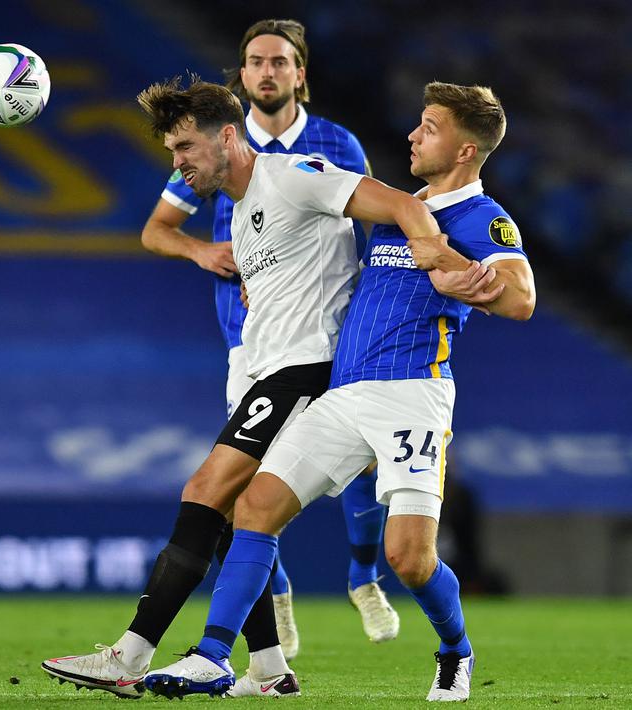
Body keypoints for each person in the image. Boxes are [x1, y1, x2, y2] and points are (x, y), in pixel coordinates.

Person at [42, 76, 455, 699]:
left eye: (185, 147)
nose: (178, 164)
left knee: (205, 491)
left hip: (307, 370)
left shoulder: (294, 175)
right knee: (237, 516)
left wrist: (430, 253)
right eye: (172, 151)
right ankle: (268, 669)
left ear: (227, 137)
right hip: (273, 372)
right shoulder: (243, 211)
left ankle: (128, 657)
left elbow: (400, 204)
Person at [142, 82, 533, 702]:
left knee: (408, 559)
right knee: (254, 506)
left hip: (412, 394)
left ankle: (455, 649)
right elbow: (330, 267)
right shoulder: (400, 212)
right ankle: (214, 656)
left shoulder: (482, 219)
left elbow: (522, 299)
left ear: (465, 150)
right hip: (344, 391)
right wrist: (264, 283)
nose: (413, 135)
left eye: (430, 128)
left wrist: (458, 273)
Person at [140, 18, 397, 664]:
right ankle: (272, 610)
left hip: (318, 334)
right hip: (248, 340)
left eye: (279, 62)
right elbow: (157, 228)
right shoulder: (208, 142)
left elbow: (368, 222)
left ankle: (363, 577)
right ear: (242, 72)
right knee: (240, 488)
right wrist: (202, 252)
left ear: (298, 73)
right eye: (255, 61)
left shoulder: (332, 144)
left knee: (353, 467)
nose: (266, 71)